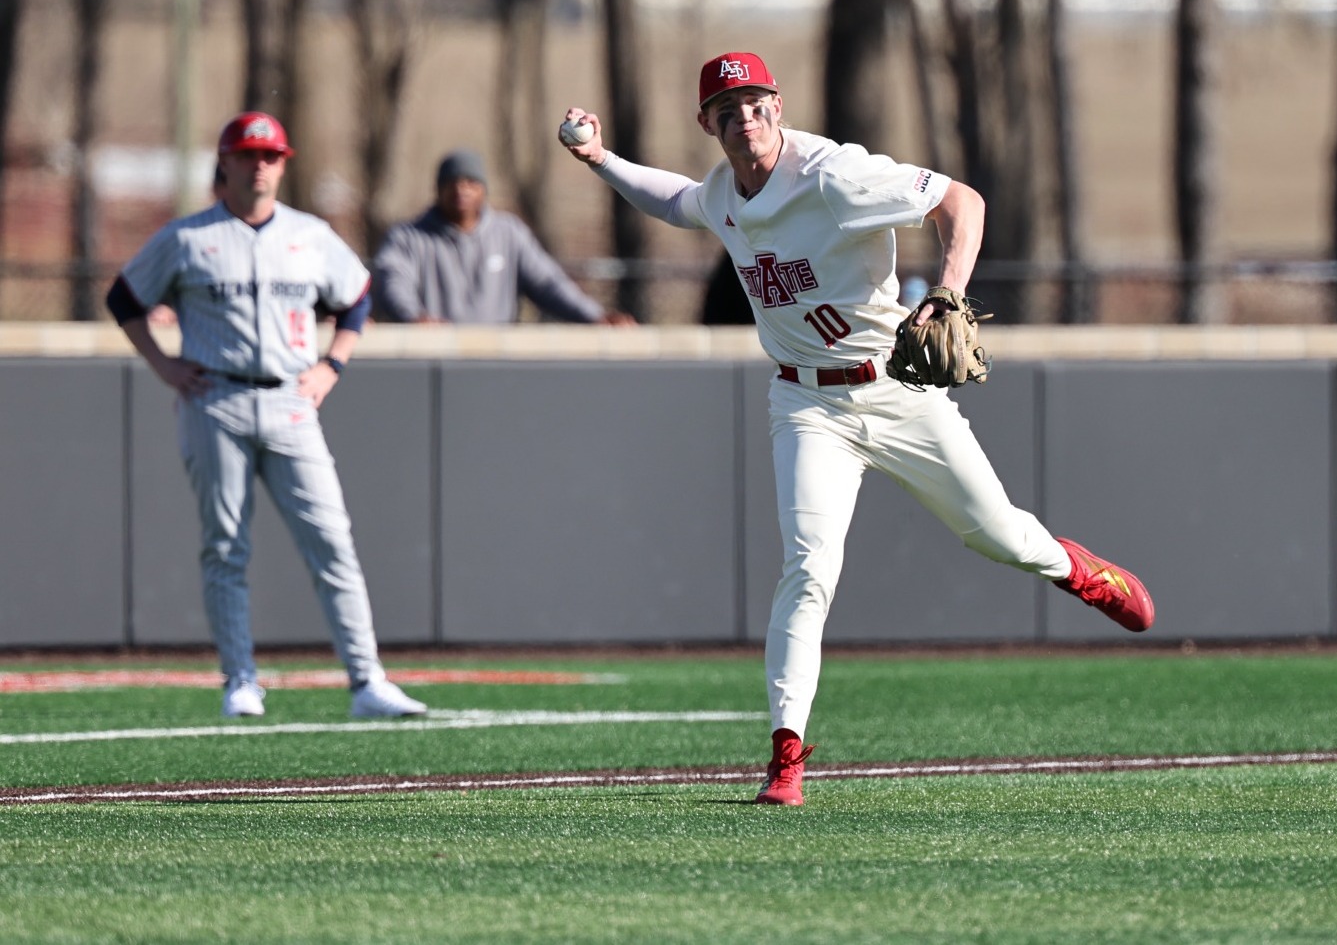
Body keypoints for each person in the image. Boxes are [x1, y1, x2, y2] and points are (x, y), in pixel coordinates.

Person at [560, 52, 1155, 807]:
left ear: (778, 106)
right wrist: (600, 158)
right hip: (807, 406)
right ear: (706, 124)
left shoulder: (835, 177)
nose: (745, 120)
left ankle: (1080, 572)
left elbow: (961, 201)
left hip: (896, 389)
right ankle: (786, 756)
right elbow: (675, 199)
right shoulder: (722, 193)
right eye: (728, 110)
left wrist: (946, 292)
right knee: (808, 570)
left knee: (998, 535)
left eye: (756, 104)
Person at [105, 111, 427, 720]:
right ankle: (241, 680)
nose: (261, 165)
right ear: (223, 163)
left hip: (290, 399)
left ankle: (367, 682)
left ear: (284, 163)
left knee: (333, 540)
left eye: (271, 155)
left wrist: (333, 364)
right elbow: (124, 298)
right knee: (225, 544)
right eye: (249, 154)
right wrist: (163, 365)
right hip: (215, 400)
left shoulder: (311, 234)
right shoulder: (187, 237)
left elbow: (357, 298)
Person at [374, 149, 635, 325]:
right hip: (434, 360)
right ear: (438, 189)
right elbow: (394, 280)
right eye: (452, 182)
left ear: (483, 189)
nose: (461, 189)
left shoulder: (508, 234)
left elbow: (548, 283)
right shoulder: (408, 238)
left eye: (470, 182)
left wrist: (595, 317)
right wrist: (414, 318)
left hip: (493, 362)